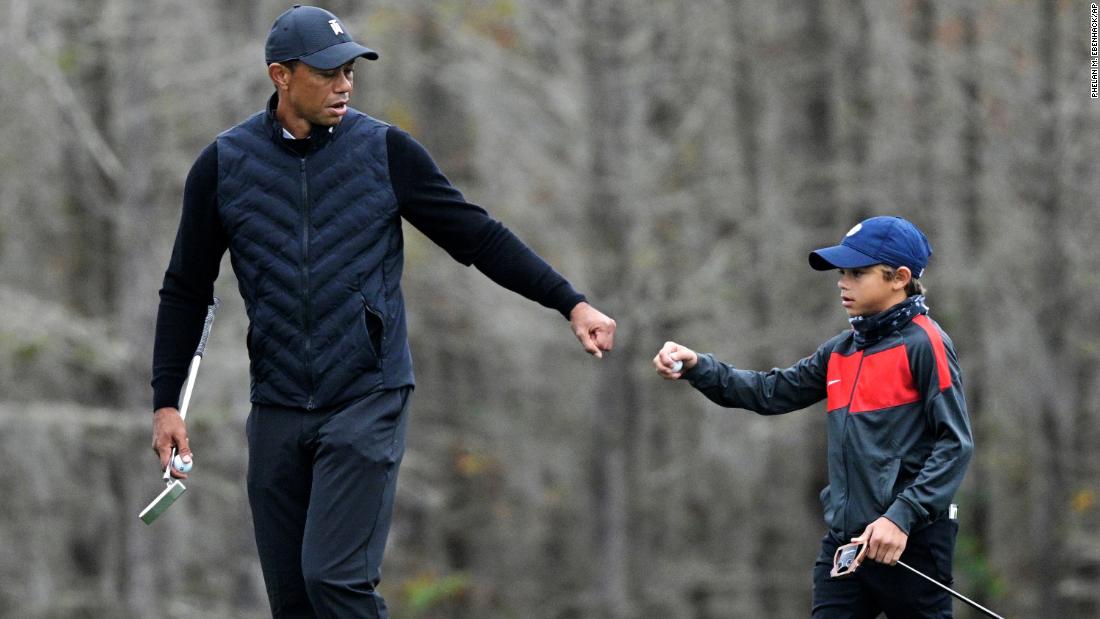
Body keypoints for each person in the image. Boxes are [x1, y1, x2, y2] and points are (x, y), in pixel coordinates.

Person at [150, 5, 616, 617]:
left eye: (350, 70)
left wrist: (569, 302)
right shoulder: (223, 165)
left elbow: (477, 236)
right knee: (293, 602)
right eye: (327, 72)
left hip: (367, 396)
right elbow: (186, 288)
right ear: (280, 75)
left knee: (334, 583)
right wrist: (165, 401)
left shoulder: (385, 152)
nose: (345, 84)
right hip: (279, 405)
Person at [653, 216, 973, 618]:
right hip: (846, 543)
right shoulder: (841, 351)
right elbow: (770, 393)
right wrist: (698, 366)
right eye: (842, 272)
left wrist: (901, 517)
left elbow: (955, 444)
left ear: (899, 277)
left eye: (858, 273)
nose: (843, 282)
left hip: (911, 541)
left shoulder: (927, 344)